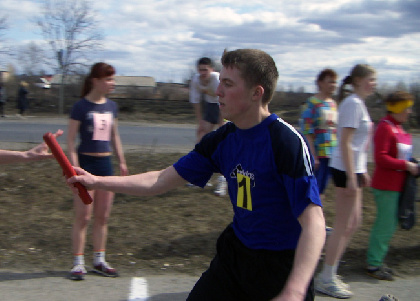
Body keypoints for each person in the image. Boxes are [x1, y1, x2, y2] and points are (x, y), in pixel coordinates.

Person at [68, 49, 326, 301]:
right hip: (236, 256)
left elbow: (314, 223)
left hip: (281, 266)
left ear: (256, 93)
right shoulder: (221, 140)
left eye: (227, 83)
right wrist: (96, 181)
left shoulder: (286, 142)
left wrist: (295, 289)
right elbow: (160, 180)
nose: (217, 91)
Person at [315, 64, 377, 299]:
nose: (374, 84)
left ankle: (330, 270)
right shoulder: (352, 104)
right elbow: (345, 143)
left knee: (353, 223)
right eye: (372, 79)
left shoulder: (358, 103)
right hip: (345, 170)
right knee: (343, 226)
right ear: (359, 80)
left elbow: (358, 146)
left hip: (354, 170)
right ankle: (326, 277)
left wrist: (361, 172)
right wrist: (352, 175)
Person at [66, 62, 128, 281]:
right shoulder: (80, 107)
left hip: (106, 166)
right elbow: (71, 140)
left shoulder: (112, 106)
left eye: (113, 79)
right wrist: (73, 167)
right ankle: (77, 263)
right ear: (96, 81)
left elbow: (114, 136)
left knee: (103, 216)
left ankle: (99, 260)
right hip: (85, 165)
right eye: (108, 79)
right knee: (83, 216)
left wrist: (121, 160)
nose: (112, 84)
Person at [366, 91, 417, 280]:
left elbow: (399, 155)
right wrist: (406, 165)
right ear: (398, 108)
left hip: (398, 187)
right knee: (385, 226)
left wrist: (411, 162)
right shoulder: (385, 127)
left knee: (389, 226)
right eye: (407, 107)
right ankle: (373, 264)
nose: (409, 112)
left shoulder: (399, 128)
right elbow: (380, 158)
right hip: (386, 186)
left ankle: (377, 261)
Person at [300, 68, 338, 235]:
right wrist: (313, 154)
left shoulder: (333, 104)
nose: (333, 85)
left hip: (331, 153)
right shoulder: (312, 103)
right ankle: (308, 223)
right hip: (318, 154)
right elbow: (307, 130)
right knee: (313, 190)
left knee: (321, 190)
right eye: (330, 81)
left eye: (335, 82)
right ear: (320, 83)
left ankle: (317, 223)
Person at [189, 57, 226, 196]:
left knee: (223, 143)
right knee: (202, 138)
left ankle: (223, 181)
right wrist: (201, 122)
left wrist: (222, 123)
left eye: (206, 69)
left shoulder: (217, 79)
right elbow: (196, 102)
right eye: (200, 70)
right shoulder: (196, 80)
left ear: (212, 70)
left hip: (226, 106)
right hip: (211, 106)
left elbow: (225, 99)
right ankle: (202, 176)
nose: (203, 72)